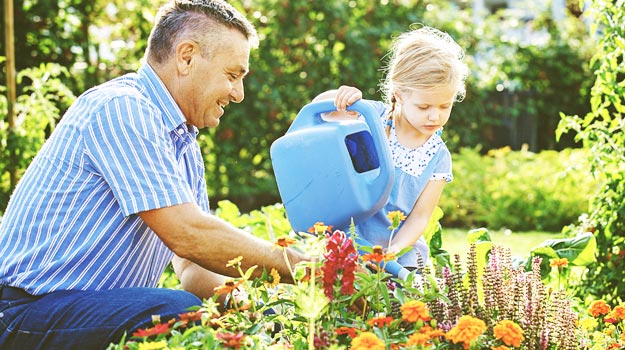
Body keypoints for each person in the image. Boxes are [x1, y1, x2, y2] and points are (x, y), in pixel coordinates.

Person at [0, 0, 308, 348]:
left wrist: (256, 314)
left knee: (202, 313)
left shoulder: (183, 145)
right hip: (22, 314)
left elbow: (193, 268)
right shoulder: (122, 108)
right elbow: (188, 235)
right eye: (232, 75)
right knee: (178, 312)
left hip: (74, 313)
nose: (238, 94)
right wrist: (299, 266)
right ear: (187, 56)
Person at [314, 25, 468, 270]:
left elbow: (420, 217)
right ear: (400, 94)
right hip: (350, 248)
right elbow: (320, 117)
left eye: (444, 106)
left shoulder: (438, 157)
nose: (434, 116)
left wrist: (394, 251)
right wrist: (339, 98)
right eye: (424, 106)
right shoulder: (371, 117)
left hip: (401, 261)